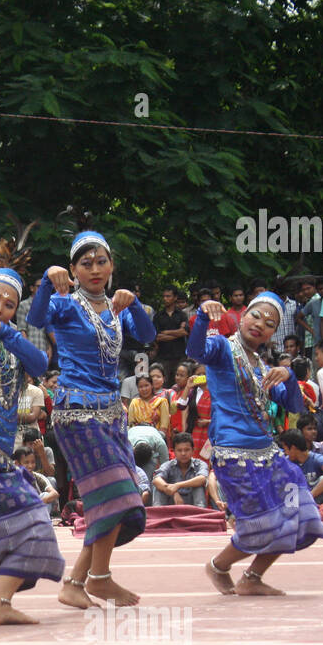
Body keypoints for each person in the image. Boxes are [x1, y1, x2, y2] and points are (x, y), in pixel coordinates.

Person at [26, 220, 154, 608]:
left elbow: (147, 337)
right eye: (86, 263)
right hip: (77, 413)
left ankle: (84, 580)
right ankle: (94, 578)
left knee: (118, 498)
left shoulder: (118, 307)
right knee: (116, 493)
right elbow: (34, 318)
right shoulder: (65, 304)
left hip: (113, 414)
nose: (95, 269)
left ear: (111, 266)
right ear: (74, 270)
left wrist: (135, 303)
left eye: (102, 261)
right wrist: (48, 280)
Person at [187, 293, 323, 596]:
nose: (260, 325)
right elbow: (195, 350)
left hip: (269, 453)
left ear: (272, 334)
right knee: (259, 523)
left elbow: (293, 404)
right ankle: (219, 565)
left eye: (270, 323)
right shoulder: (222, 348)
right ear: (242, 315)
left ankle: (252, 576)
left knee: (298, 512)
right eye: (256, 316)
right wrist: (202, 316)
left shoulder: (263, 368)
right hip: (234, 452)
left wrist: (290, 376)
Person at [277, 429, 323, 506]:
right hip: (296, 503)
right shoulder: (286, 462)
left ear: (293, 448)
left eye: (286, 449)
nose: (285, 452)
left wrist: (310, 496)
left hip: (316, 501)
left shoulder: (316, 458)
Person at [151, 433, 210, 507]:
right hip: (173, 502)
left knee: (198, 485)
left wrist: (178, 485)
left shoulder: (200, 464)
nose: (183, 453)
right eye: (179, 450)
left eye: (187, 450)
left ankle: (199, 515)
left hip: (193, 505)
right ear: (174, 451)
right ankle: (158, 514)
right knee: (159, 487)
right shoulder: (168, 465)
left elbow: (202, 478)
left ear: (193, 450)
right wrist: (174, 492)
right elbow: (156, 480)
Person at [128, 374, 171, 444]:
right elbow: (131, 424)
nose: (144, 389)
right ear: (137, 388)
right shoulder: (134, 403)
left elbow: (164, 426)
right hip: (137, 440)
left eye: (146, 385)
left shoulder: (161, 402)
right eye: (141, 387)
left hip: (157, 439)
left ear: (152, 385)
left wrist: (156, 439)